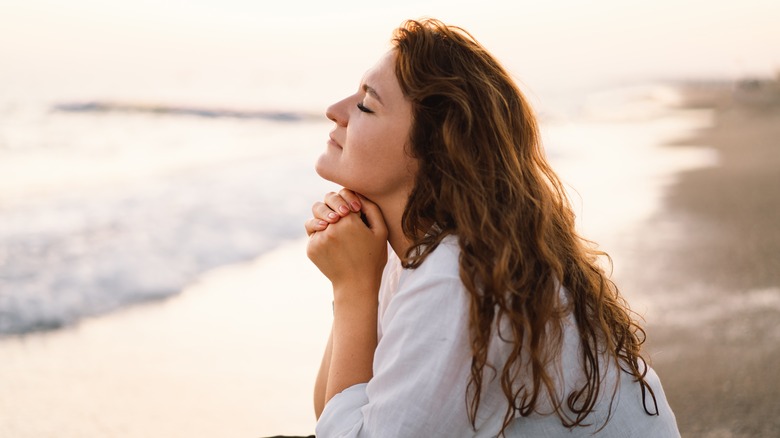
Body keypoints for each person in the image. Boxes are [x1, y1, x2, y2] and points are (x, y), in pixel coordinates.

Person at [303, 18, 680, 437]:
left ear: (437, 149)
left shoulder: (458, 275)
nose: (335, 110)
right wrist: (356, 283)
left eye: (366, 105)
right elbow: (335, 412)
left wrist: (353, 288)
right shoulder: (424, 252)